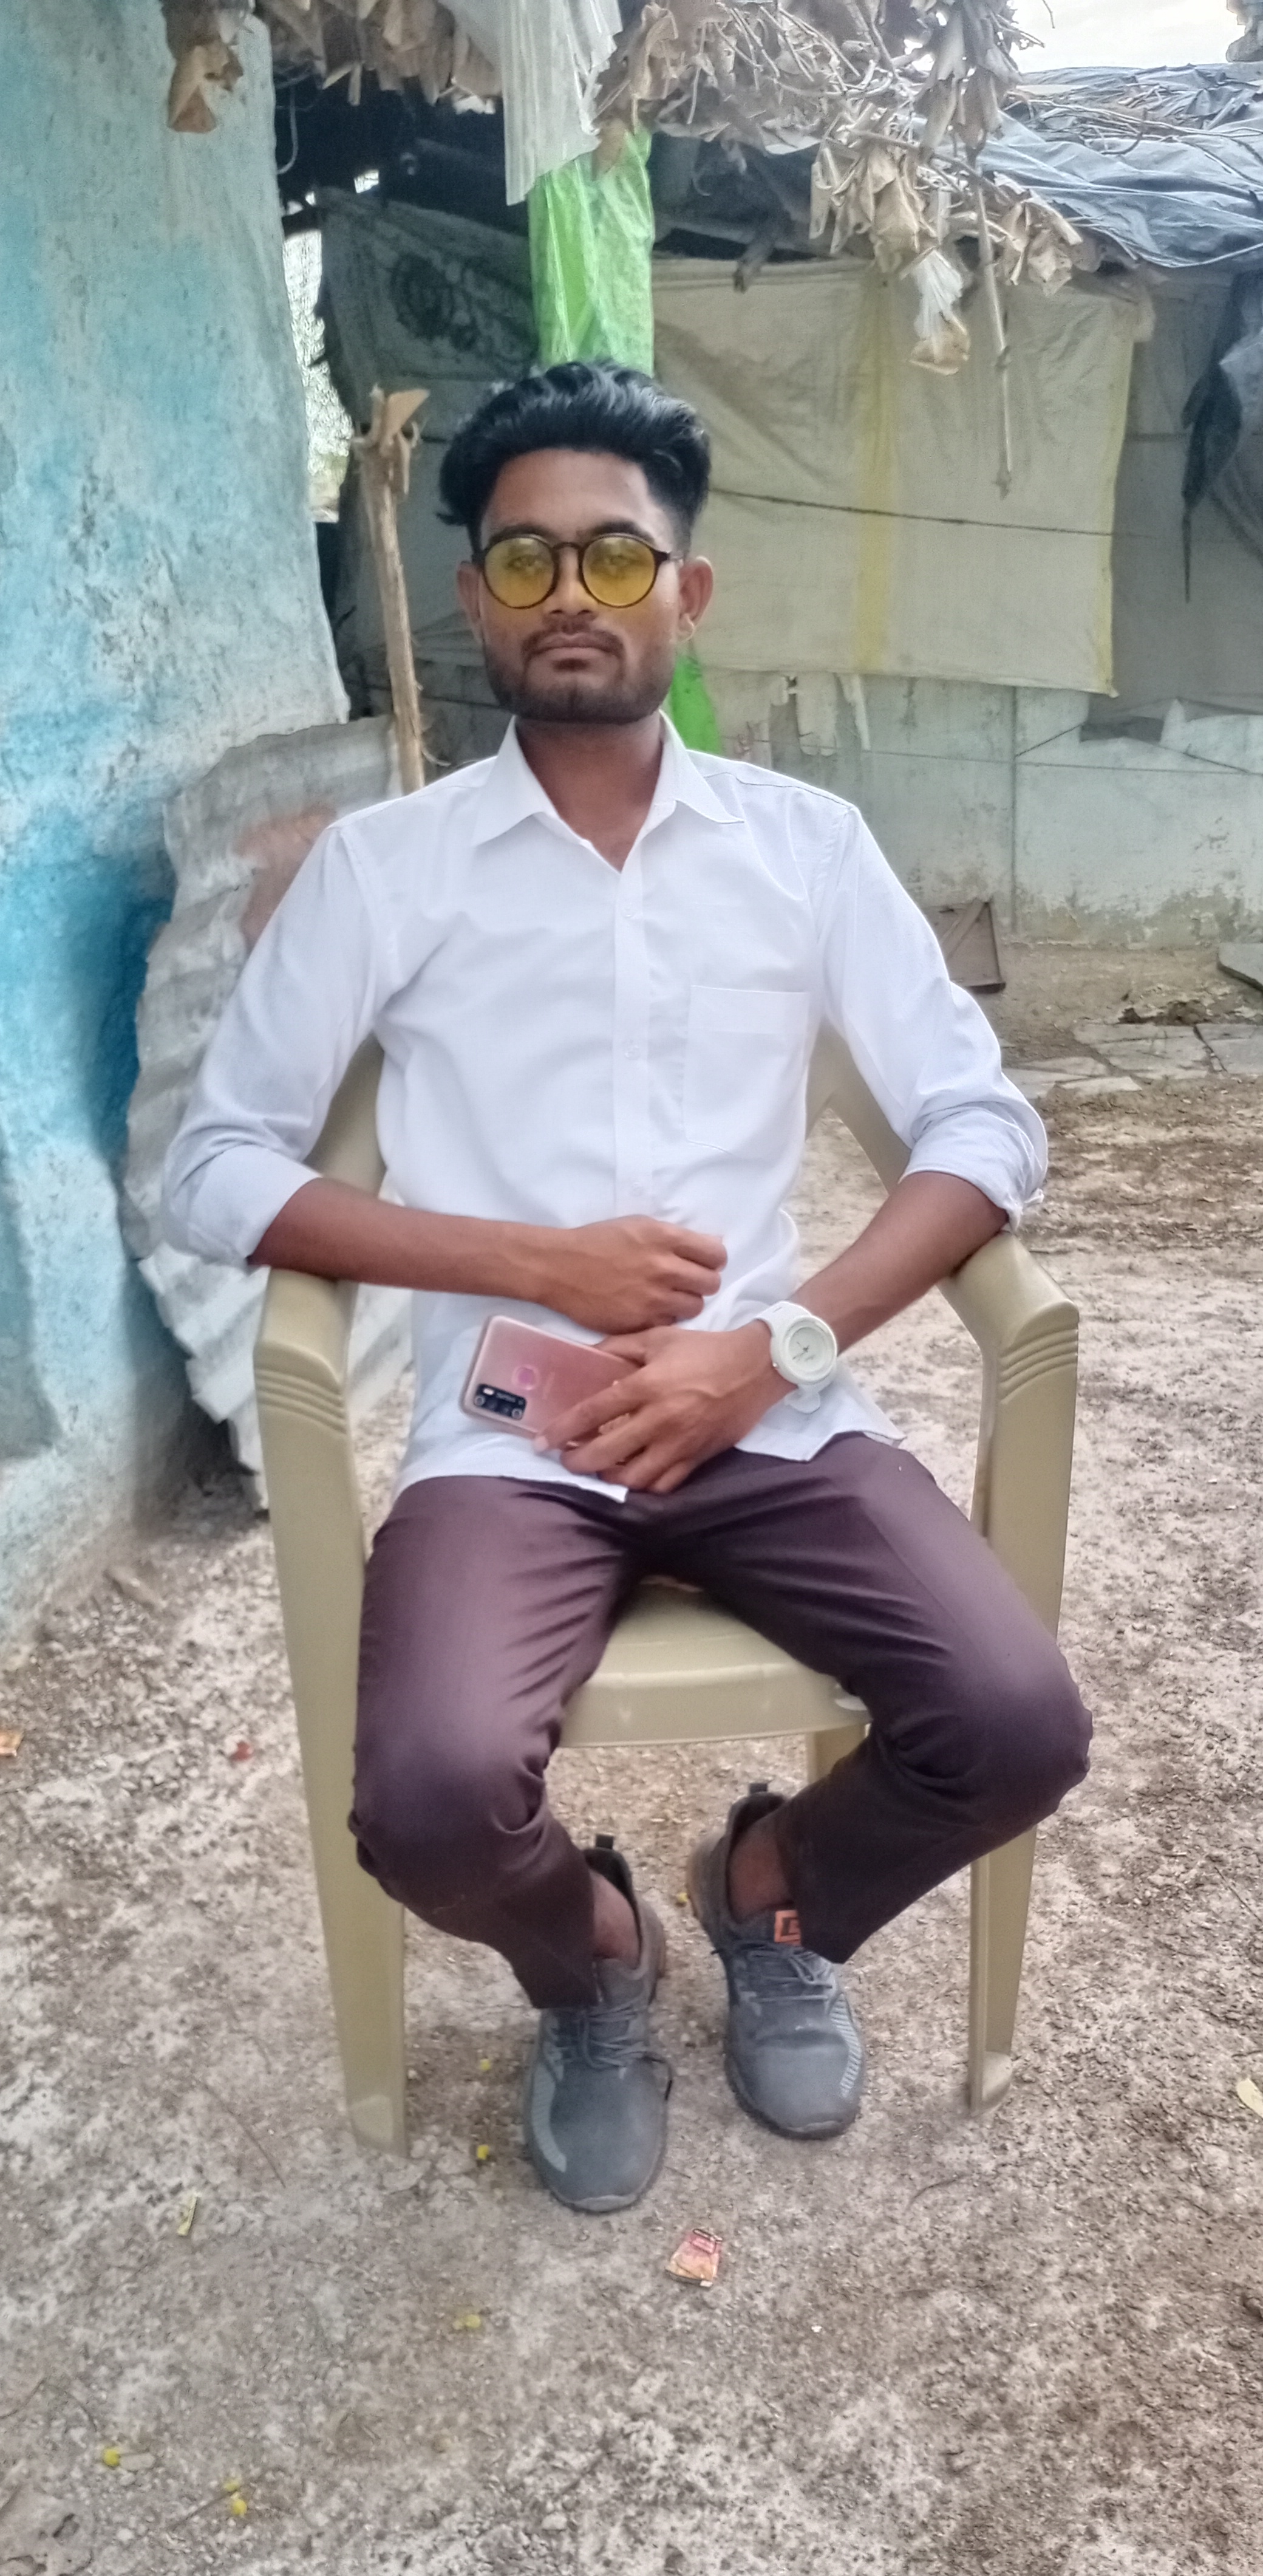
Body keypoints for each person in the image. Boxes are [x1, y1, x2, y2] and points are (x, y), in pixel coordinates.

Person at [163, 360, 1090, 2216]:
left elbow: (986, 1127)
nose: (570, 594)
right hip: (513, 1443)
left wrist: (776, 1348)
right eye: (524, 561)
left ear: (690, 590)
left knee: (1016, 1726)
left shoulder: (802, 850)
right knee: (426, 1800)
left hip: (771, 1414)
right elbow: (218, 1166)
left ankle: (768, 1896)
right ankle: (591, 1962)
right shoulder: (388, 871)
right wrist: (521, 1257)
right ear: (474, 599)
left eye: (614, 555)